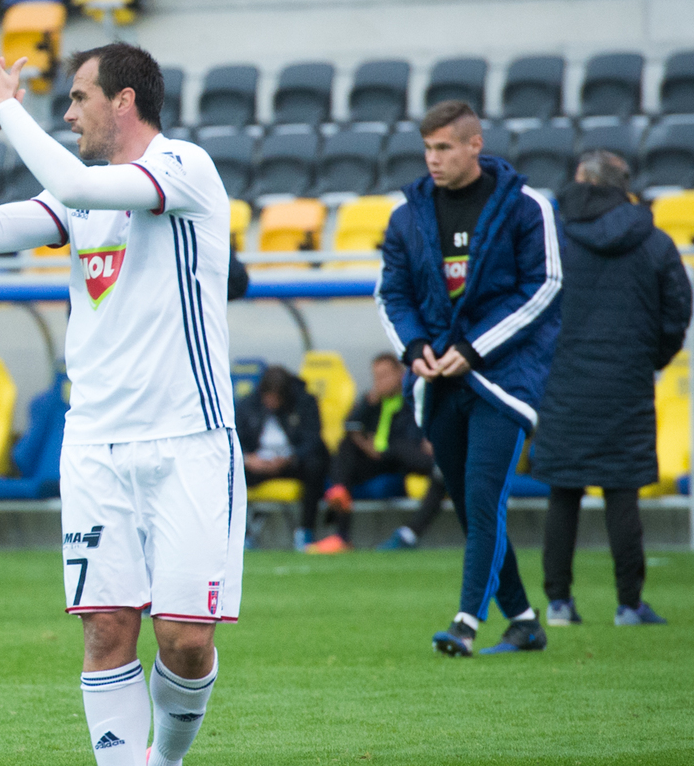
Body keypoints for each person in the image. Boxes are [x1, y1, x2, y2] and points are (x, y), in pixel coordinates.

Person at [0, 36, 240, 766]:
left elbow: (78, 183)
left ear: (124, 101)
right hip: (96, 446)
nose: (68, 112)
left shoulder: (184, 168)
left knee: (185, 640)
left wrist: (6, 105)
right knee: (107, 628)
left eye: (79, 97)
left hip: (189, 440)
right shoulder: (77, 196)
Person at [375, 99, 562, 657]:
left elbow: (545, 286)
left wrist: (475, 349)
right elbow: (392, 294)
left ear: (474, 145)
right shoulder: (407, 215)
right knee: (469, 506)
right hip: (438, 382)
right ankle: (524, 621)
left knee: (482, 499)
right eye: (427, 149)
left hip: (503, 380)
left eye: (444, 148)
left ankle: (465, 623)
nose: (432, 160)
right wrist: (415, 349)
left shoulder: (527, 206)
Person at [530, 151, 690, 627]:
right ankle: (629, 604)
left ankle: (559, 603)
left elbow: (530, 307)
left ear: (581, 180)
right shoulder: (654, 241)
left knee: (563, 491)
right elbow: (676, 312)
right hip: (627, 383)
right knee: (623, 491)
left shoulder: (554, 240)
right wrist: (647, 359)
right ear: (624, 185)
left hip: (563, 382)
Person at [311, 353, 443, 552]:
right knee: (346, 445)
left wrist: (382, 448)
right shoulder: (372, 402)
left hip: (407, 458)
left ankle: (407, 535)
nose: (380, 382)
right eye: (377, 377)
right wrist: (367, 408)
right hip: (379, 461)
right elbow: (350, 427)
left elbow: (412, 439)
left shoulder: (413, 399)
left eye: (385, 376)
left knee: (406, 451)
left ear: (400, 374)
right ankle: (341, 529)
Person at [233, 365, 328, 549]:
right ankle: (243, 534)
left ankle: (305, 531)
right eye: (268, 397)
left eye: (276, 398)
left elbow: (313, 439)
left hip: (291, 463)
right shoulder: (248, 404)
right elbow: (235, 439)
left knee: (315, 465)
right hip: (258, 464)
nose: (271, 402)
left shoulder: (305, 402)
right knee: (232, 471)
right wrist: (248, 459)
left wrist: (290, 457)